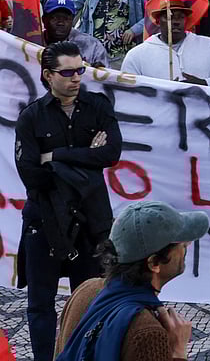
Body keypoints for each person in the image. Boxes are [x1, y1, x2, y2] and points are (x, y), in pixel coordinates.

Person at [16, 41, 122, 361]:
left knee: (87, 299)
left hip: (89, 219)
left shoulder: (98, 106)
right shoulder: (31, 117)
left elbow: (111, 153)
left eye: (81, 70)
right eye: (68, 72)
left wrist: (57, 157)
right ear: (48, 76)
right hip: (44, 218)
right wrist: (86, 162)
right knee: (40, 304)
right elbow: (31, 175)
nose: (76, 78)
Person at [54, 201, 209, 361]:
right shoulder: (149, 332)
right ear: (154, 263)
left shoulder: (86, 289)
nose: (188, 245)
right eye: (181, 244)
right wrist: (178, 352)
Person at [121, 0, 210, 87]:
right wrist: (162, 91)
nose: (176, 22)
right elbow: (126, 90)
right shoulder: (137, 55)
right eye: (169, 17)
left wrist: (204, 83)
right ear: (157, 21)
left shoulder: (208, 45)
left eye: (181, 17)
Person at [40, 0, 108, 66]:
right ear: (44, 20)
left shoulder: (92, 46)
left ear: (72, 20)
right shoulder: (33, 42)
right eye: (55, 18)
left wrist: (98, 72)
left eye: (66, 18)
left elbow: (107, 74)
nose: (60, 23)